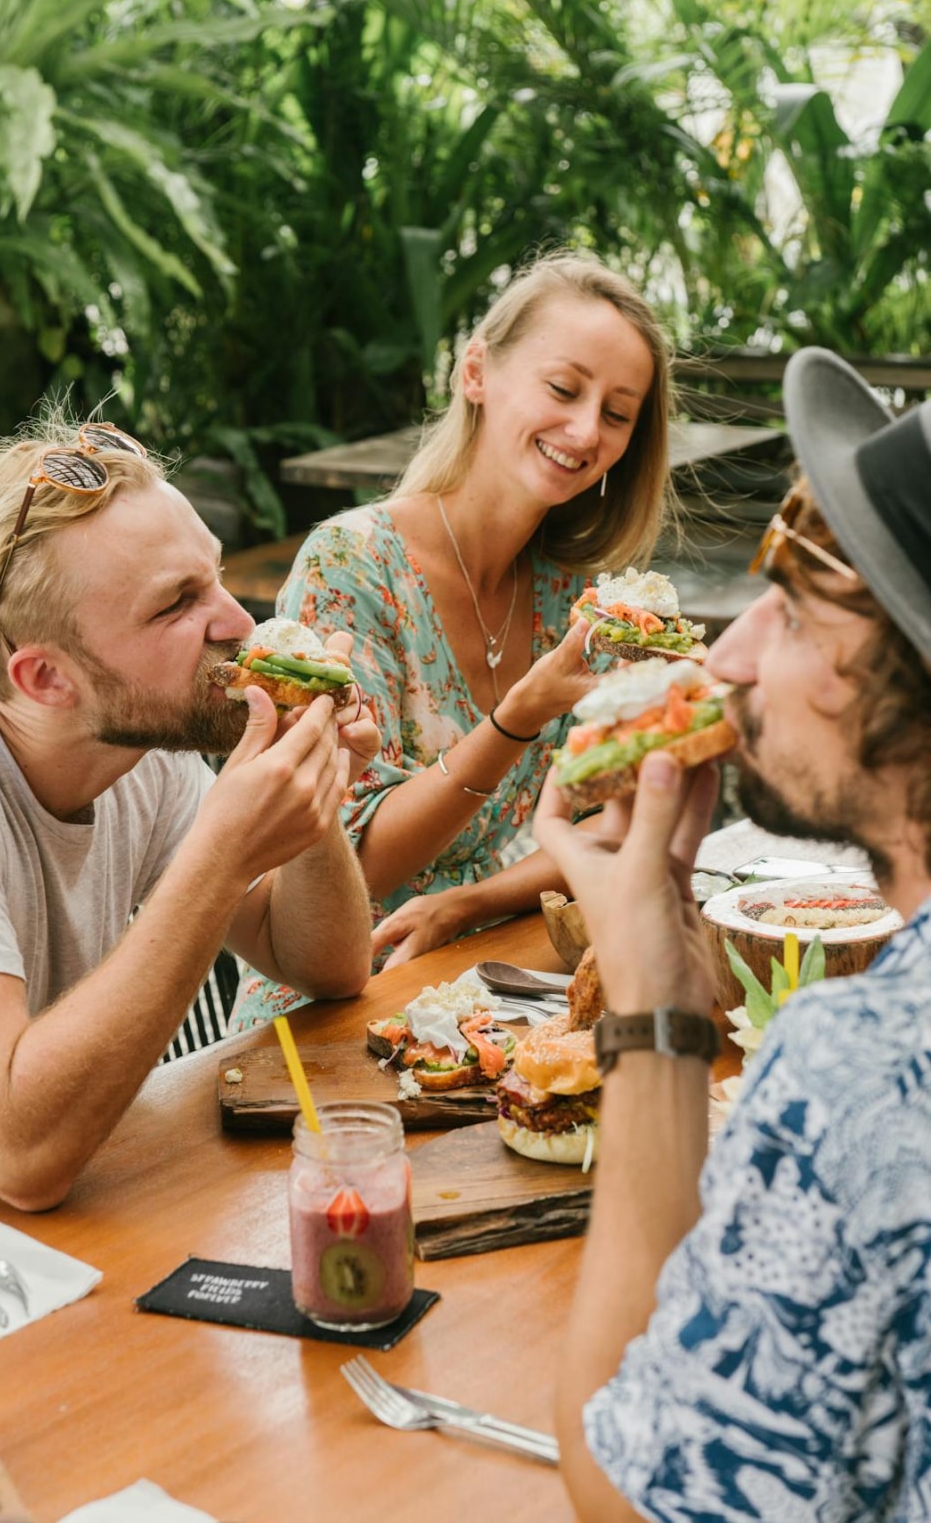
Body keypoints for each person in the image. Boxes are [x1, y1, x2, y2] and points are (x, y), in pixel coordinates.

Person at [0, 416, 377, 1217]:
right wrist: (223, 852)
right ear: (45, 679)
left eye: (212, 577)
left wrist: (314, 784)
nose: (239, 620)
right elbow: (22, 1154)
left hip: (13, 1256)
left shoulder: (137, 747)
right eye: (177, 604)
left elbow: (324, 962)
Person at [535, 347, 931, 1520]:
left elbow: (634, 1482)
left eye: (798, 611)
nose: (731, 654)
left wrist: (653, 1011)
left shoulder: (866, 1068)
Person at [231, 252, 673, 1031]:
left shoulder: (582, 598)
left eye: (617, 412)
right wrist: (516, 721)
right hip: (332, 1011)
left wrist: (467, 901)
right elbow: (359, 863)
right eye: (564, 389)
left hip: (500, 985)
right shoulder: (350, 567)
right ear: (476, 373)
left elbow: (610, 823)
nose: (585, 430)